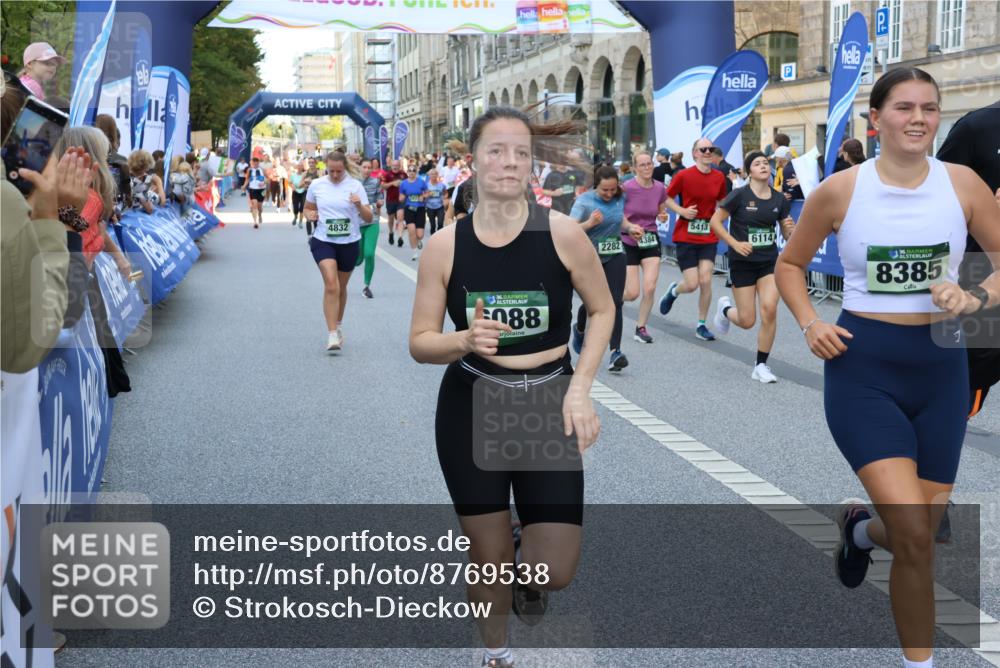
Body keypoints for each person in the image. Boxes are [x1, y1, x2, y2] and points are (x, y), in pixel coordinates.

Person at [774, 68, 1000, 668]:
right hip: (863, 367)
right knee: (919, 535)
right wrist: (810, 323)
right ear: (875, 119)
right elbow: (790, 266)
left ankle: (857, 532)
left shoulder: (964, 185)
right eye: (903, 107)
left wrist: (975, 298)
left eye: (929, 107)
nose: (918, 118)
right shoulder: (841, 190)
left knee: (914, 540)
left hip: (941, 369)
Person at [409, 106, 612, 668]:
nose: (509, 162)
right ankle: (495, 654)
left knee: (556, 571)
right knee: (487, 552)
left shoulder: (565, 234)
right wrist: (464, 342)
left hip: (549, 397)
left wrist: (581, 388)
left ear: (532, 166)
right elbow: (421, 341)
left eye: (521, 153)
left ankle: (526, 554)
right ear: (471, 160)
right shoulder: (444, 247)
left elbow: (601, 309)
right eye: (496, 150)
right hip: (472, 400)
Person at [936, 100, 1000, 419]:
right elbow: (933, 198)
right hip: (982, 275)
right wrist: (987, 207)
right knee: (960, 401)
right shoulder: (977, 128)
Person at [708, 151, 794, 382]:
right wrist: (734, 243)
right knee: (747, 321)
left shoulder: (779, 199)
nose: (764, 166)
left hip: (768, 262)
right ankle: (725, 310)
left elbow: (786, 233)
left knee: (770, 308)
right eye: (758, 163)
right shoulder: (739, 195)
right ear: (749, 171)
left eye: (766, 162)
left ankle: (761, 365)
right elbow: (715, 221)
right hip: (742, 263)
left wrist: (789, 229)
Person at [569, 165, 644, 371]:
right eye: (605, 190)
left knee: (615, 301)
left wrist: (631, 228)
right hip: (589, 257)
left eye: (613, 189)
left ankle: (615, 353)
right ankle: (581, 328)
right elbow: (568, 228)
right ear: (596, 186)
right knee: (592, 302)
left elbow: (619, 219)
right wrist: (590, 223)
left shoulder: (620, 196)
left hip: (614, 253)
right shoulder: (584, 202)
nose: (610, 194)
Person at [658, 138, 728, 340]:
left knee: (706, 279)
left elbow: (721, 201)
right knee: (691, 284)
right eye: (703, 149)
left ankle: (701, 325)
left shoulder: (719, 177)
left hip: (708, 235)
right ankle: (674, 291)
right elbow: (666, 197)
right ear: (695, 153)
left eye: (710, 149)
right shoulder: (684, 175)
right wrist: (682, 211)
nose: (707, 152)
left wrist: (721, 214)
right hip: (686, 235)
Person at [303, 152, 372, 352]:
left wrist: (359, 204)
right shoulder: (317, 185)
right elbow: (307, 209)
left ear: (345, 168)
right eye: (331, 171)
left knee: (341, 287)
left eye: (339, 171)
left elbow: (368, 218)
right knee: (331, 284)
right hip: (323, 240)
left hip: (349, 242)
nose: (334, 175)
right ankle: (332, 334)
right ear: (326, 167)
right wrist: (310, 215)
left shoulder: (355, 186)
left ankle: (338, 324)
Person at [622, 151, 669, 344]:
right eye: (642, 165)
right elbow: (617, 213)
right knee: (632, 293)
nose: (647, 167)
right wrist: (630, 226)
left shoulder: (659, 188)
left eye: (649, 163)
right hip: (628, 240)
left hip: (650, 239)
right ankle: (608, 301)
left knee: (649, 288)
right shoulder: (626, 188)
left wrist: (662, 216)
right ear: (634, 168)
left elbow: (660, 209)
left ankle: (640, 327)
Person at [356, 159, 381, 298]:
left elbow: (379, 196)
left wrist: (379, 201)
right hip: (357, 224)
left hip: (372, 221)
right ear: (360, 168)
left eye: (369, 167)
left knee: (369, 254)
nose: (367, 170)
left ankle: (366, 286)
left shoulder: (375, 182)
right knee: (358, 259)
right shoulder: (352, 183)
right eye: (364, 167)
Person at [399, 164, 429, 260]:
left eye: (413, 170)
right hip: (409, 209)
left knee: (420, 234)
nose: (412, 172)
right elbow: (401, 197)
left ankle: (419, 240)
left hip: (420, 209)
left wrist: (423, 196)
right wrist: (402, 198)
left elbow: (428, 192)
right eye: (410, 170)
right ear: (407, 172)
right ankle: (414, 252)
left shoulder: (421, 182)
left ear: (416, 172)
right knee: (411, 231)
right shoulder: (403, 184)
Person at [128, 150, 166, 215]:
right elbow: (156, 206)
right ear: (146, 166)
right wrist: (159, 183)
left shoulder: (130, 179)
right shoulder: (137, 184)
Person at [381, 159, 407, 246]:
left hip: (401, 200)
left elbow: (409, 184)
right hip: (390, 200)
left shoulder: (403, 174)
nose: (395, 167)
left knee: (400, 218)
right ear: (391, 166)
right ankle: (391, 233)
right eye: (394, 165)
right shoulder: (387, 175)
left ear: (399, 166)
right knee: (391, 219)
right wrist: (392, 183)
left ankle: (400, 237)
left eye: (397, 165)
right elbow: (383, 186)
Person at [242, 156, 267, 229]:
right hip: (253, 189)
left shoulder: (262, 170)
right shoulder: (249, 170)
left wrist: (264, 182)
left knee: (260, 207)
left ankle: (260, 215)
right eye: (254, 163)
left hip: (262, 189)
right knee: (254, 205)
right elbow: (247, 179)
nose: (255, 165)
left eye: (256, 164)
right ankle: (255, 222)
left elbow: (268, 179)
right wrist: (244, 186)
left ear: (258, 163)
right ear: (252, 163)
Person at [424, 168, 447, 236]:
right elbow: (423, 195)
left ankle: (439, 237)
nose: (433, 175)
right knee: (433, 224)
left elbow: (445, 193)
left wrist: (444, 197)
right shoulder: (426, 185)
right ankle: (433, 237)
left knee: (440, 223)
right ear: (429, 175)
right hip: (430, 207)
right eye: (432, 174)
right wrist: (427, 195)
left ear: (437, 175)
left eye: (435, 174)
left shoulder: (442, 185)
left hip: (440, 206)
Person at [290, 163, 307, 228]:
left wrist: (305, 186)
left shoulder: (305, 175)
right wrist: (292, 187)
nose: (300, 168)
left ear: (302, 167)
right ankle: (295, 216)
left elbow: (307, 182)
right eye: (298, 166)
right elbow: (290, 182)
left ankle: (300, 222)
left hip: (303, 192)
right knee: (296, 207)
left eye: (301, 166)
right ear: (297, 167)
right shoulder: (293, 175)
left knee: (302, 208)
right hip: (295, 192)